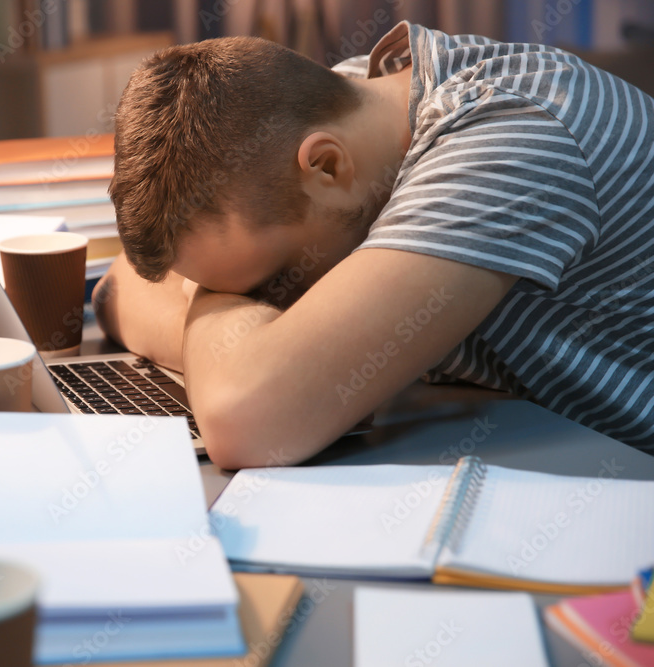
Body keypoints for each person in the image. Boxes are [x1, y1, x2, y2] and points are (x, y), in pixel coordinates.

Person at [93, 21, 654, 468]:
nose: (272, 299)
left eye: (274, 278)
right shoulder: (345, 97)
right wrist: (243, 347)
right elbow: (118, 289)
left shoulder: (511, 140)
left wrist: (238, 344)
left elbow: (246, 422)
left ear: (327, 166)